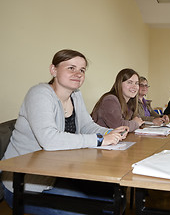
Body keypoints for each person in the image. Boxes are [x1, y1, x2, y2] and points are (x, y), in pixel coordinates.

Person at [1, 49, 129, 215]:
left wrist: (111, 133)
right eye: (71, 68)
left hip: (57, 174)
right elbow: (50, 140)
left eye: (82, 70)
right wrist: (98, 140)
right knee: (93, 210)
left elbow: (87, 126)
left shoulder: (75, 95)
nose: (78, 74)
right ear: (53, 70)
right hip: (26, 184)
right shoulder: (40, 94)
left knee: (114, 199)